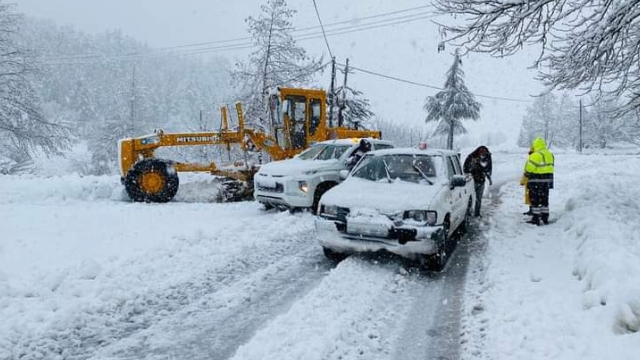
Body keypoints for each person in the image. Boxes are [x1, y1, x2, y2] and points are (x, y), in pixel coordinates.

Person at [523, 137, 555, 225]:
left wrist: (526, 174)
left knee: (534, 199)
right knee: (544, 198)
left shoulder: (536, 155)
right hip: (547, 180)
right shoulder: (550, 154)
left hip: (535, 180)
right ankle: (545, 217)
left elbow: (529, 167)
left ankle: (535, 218)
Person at [463, 146, 493, 217]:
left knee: (478, 198)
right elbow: (465, 169)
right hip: (471, 181)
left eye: (483, 154)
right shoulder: (472, 157)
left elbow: (489, 169)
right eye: (480, 153)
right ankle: (468, 213)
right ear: (478, 152)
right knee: (469, 198)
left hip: (481, 180)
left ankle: (477, 213)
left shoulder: (487, 157)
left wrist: (489, 178)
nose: (482, 155)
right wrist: (473, 165)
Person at [520, 146, 534, 216]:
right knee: (531, 196)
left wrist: (523, 181)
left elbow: (527, 172)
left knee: (531, 196)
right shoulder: (535, 159)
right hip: (532, 181)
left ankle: (532, 210)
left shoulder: (531, 160)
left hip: (530, 181)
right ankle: (531, 210)